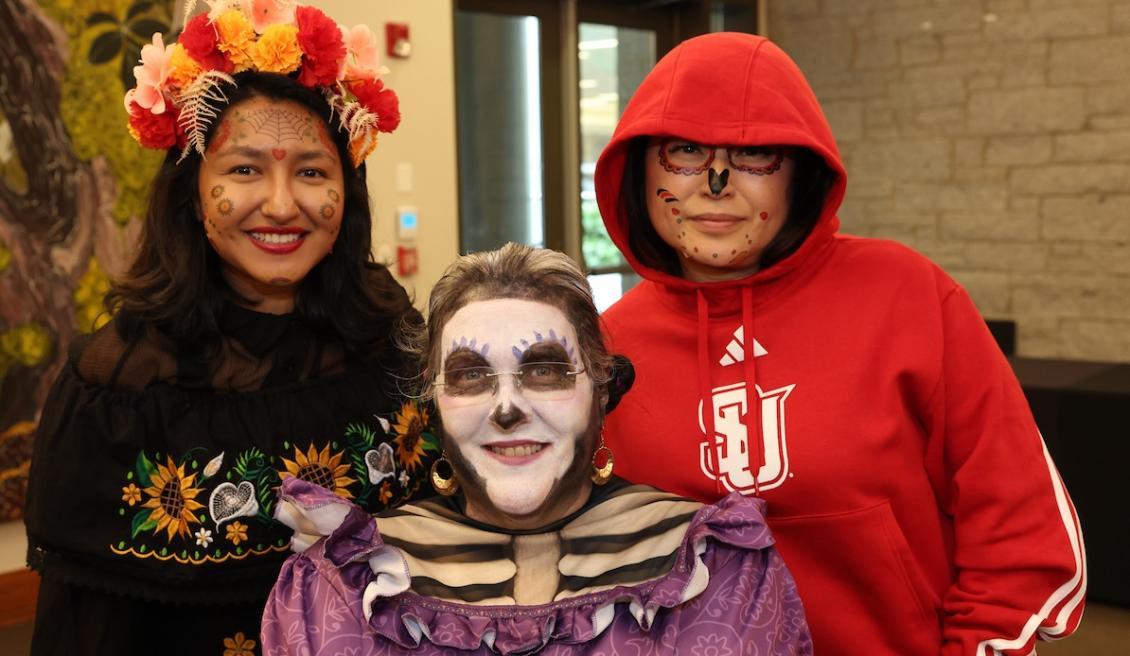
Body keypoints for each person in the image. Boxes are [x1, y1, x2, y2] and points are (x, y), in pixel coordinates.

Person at [594, 32, 1085, 655]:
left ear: (800, 172)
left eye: (754, 154)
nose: (716, 182)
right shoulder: (608, 349)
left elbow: (1020, 521)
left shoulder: (906, 297)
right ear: (638, 168)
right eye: (685, 151)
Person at [23, 3, 437, 653]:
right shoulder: (118, 389)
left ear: (345, 194)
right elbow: (86, 628)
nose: (280, 204)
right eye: (244, 169)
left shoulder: (392, 341)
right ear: (193, 191)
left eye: (311, 171)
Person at [261, 243, 812, 655]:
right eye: (471, 376)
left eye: (544, 371)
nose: (507, 408)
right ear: (432, 405)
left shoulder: (716, 566)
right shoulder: (344, 583)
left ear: (600, 390)